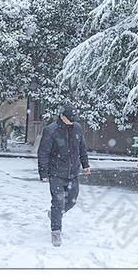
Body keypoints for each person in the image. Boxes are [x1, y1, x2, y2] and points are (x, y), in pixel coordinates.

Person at [37, 103, 91, 247]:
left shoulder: (77, 128)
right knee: (58, 201)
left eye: (75, 118)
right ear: (62, 116)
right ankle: (56, 231)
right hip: (56, 173)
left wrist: (85, 164)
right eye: (70, 118)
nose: (73, 120)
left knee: (72, 201)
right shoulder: (51, 130)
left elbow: (82, 147)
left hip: (73, 173)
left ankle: (55, 214)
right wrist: (43, 172)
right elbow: (43, 153)